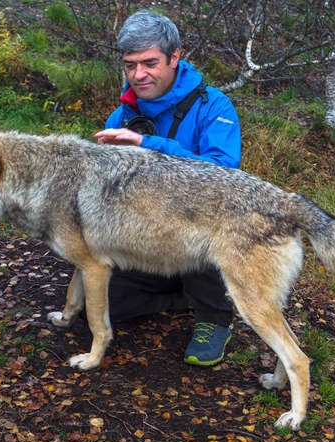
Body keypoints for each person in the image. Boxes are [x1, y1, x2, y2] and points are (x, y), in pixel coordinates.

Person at [94, 10, 241, 367]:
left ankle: (214, 317)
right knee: (97, 308)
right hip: (145, 236)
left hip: (199, 230)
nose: (138, 75)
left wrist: (148, 144)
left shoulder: (214, 106)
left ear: (175, 57)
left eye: (149, 63)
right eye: (130, 65)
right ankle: (179, 295)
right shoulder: (121, 116)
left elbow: (223, 174)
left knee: (203, 232)